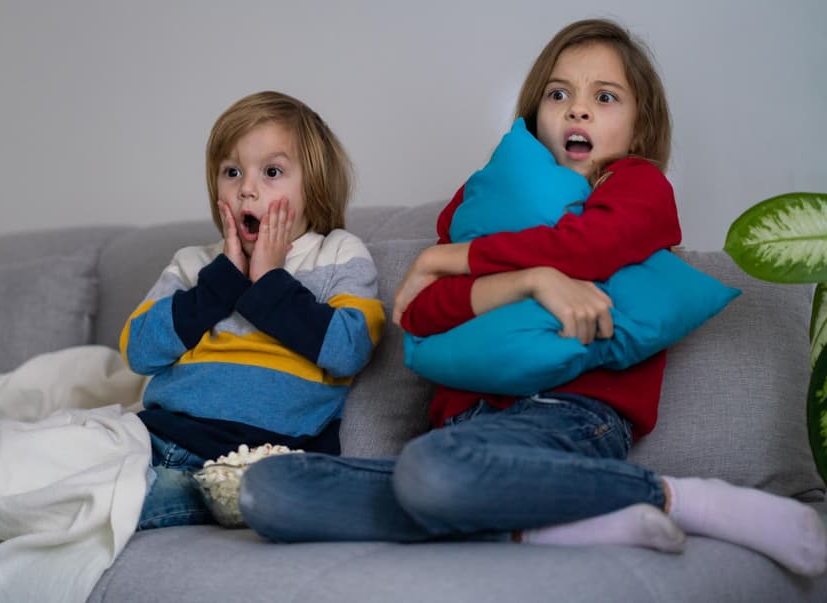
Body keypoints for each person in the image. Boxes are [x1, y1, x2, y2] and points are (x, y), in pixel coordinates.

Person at [238, 19, 827, 577]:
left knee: (433, 471)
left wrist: (454, 259)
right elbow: (423, 313)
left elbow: (587, 249)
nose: (577, 108)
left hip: (568, 417)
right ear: (535, 113)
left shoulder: (639, 186)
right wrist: (530, 280)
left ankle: (677, 498)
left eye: (605, 97)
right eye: (558, 93)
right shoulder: (485, 199)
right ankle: (553, 525)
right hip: (459, 432)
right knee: (272, 490)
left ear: (640, 126)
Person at [120, 90, 385, 530]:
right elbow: (138, 350)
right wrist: (221, 282)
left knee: (116, 504)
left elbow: (348, 349)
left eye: (272, 172)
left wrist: (270, 281)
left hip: (253, 463)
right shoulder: (195, 264)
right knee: (46, 456)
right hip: (158, 437)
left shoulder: (337, 253)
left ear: (314, 187)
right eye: (232, 172)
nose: (246, 188)